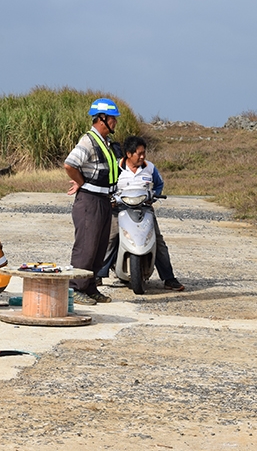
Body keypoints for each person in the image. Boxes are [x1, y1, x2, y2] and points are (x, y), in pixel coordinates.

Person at [63, 98, 121, 305]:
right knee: (86, 247)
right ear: (102, 118)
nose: (115, 122)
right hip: (90, 201)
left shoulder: (104, 142)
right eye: (113, 118)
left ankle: (90, 287)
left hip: (104, 200)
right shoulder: (88, 141)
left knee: (99, 247)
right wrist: (82, 183)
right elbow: (70, 165)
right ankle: (75, 288)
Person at [115, 135, 185, 291]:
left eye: (143, 153)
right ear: (128, 154)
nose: (142, 156)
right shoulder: (116, 167)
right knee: (110, 237)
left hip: (145, 209)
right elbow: (108, 185)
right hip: (121, 209)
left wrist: (153, 196)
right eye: (138, 153)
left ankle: (169, 278)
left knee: (157, 240)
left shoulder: (150, 168)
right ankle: (99, 275)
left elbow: (159, 184)